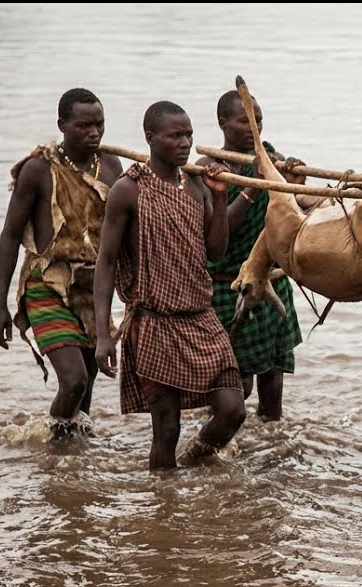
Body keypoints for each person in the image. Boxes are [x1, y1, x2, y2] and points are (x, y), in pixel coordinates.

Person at [93, 101, 246, 470]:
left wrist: (221, 196)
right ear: (150, 138)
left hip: (200, 317)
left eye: (189, 135)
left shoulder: (196, 183)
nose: (185, 143)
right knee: (167, 428)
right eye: (175, 135)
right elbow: (107, 261)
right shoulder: (129, 190)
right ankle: (164, 505)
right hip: (154, 321)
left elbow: (215, 249)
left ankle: (195, 461)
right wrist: (103, 333)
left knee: (233, 410)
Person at [0, 88, 124, 441]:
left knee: (89, 380)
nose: (93, 133)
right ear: (62, 125)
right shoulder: (38, 169)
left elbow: (120, 235)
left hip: (92, 286)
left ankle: (73, 460)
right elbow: (9, 236)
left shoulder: (110, 166)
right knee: (74, 380)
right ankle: (55, 449)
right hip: (47, 282)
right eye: (83, 126)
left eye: (99, 125)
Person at [196, 90, 317, 421]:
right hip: (228, 286)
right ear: (222, 123)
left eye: (258, 119)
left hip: (272, 282)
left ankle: (273, 453)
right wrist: (254, 185)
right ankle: (221, 444)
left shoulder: (270, 157)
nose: (254, 127)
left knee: (273, 382)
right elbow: (219, 234)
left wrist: (295, 183)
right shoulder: (209, 168)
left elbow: (291, 216)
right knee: (236, 385)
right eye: (244, 120)